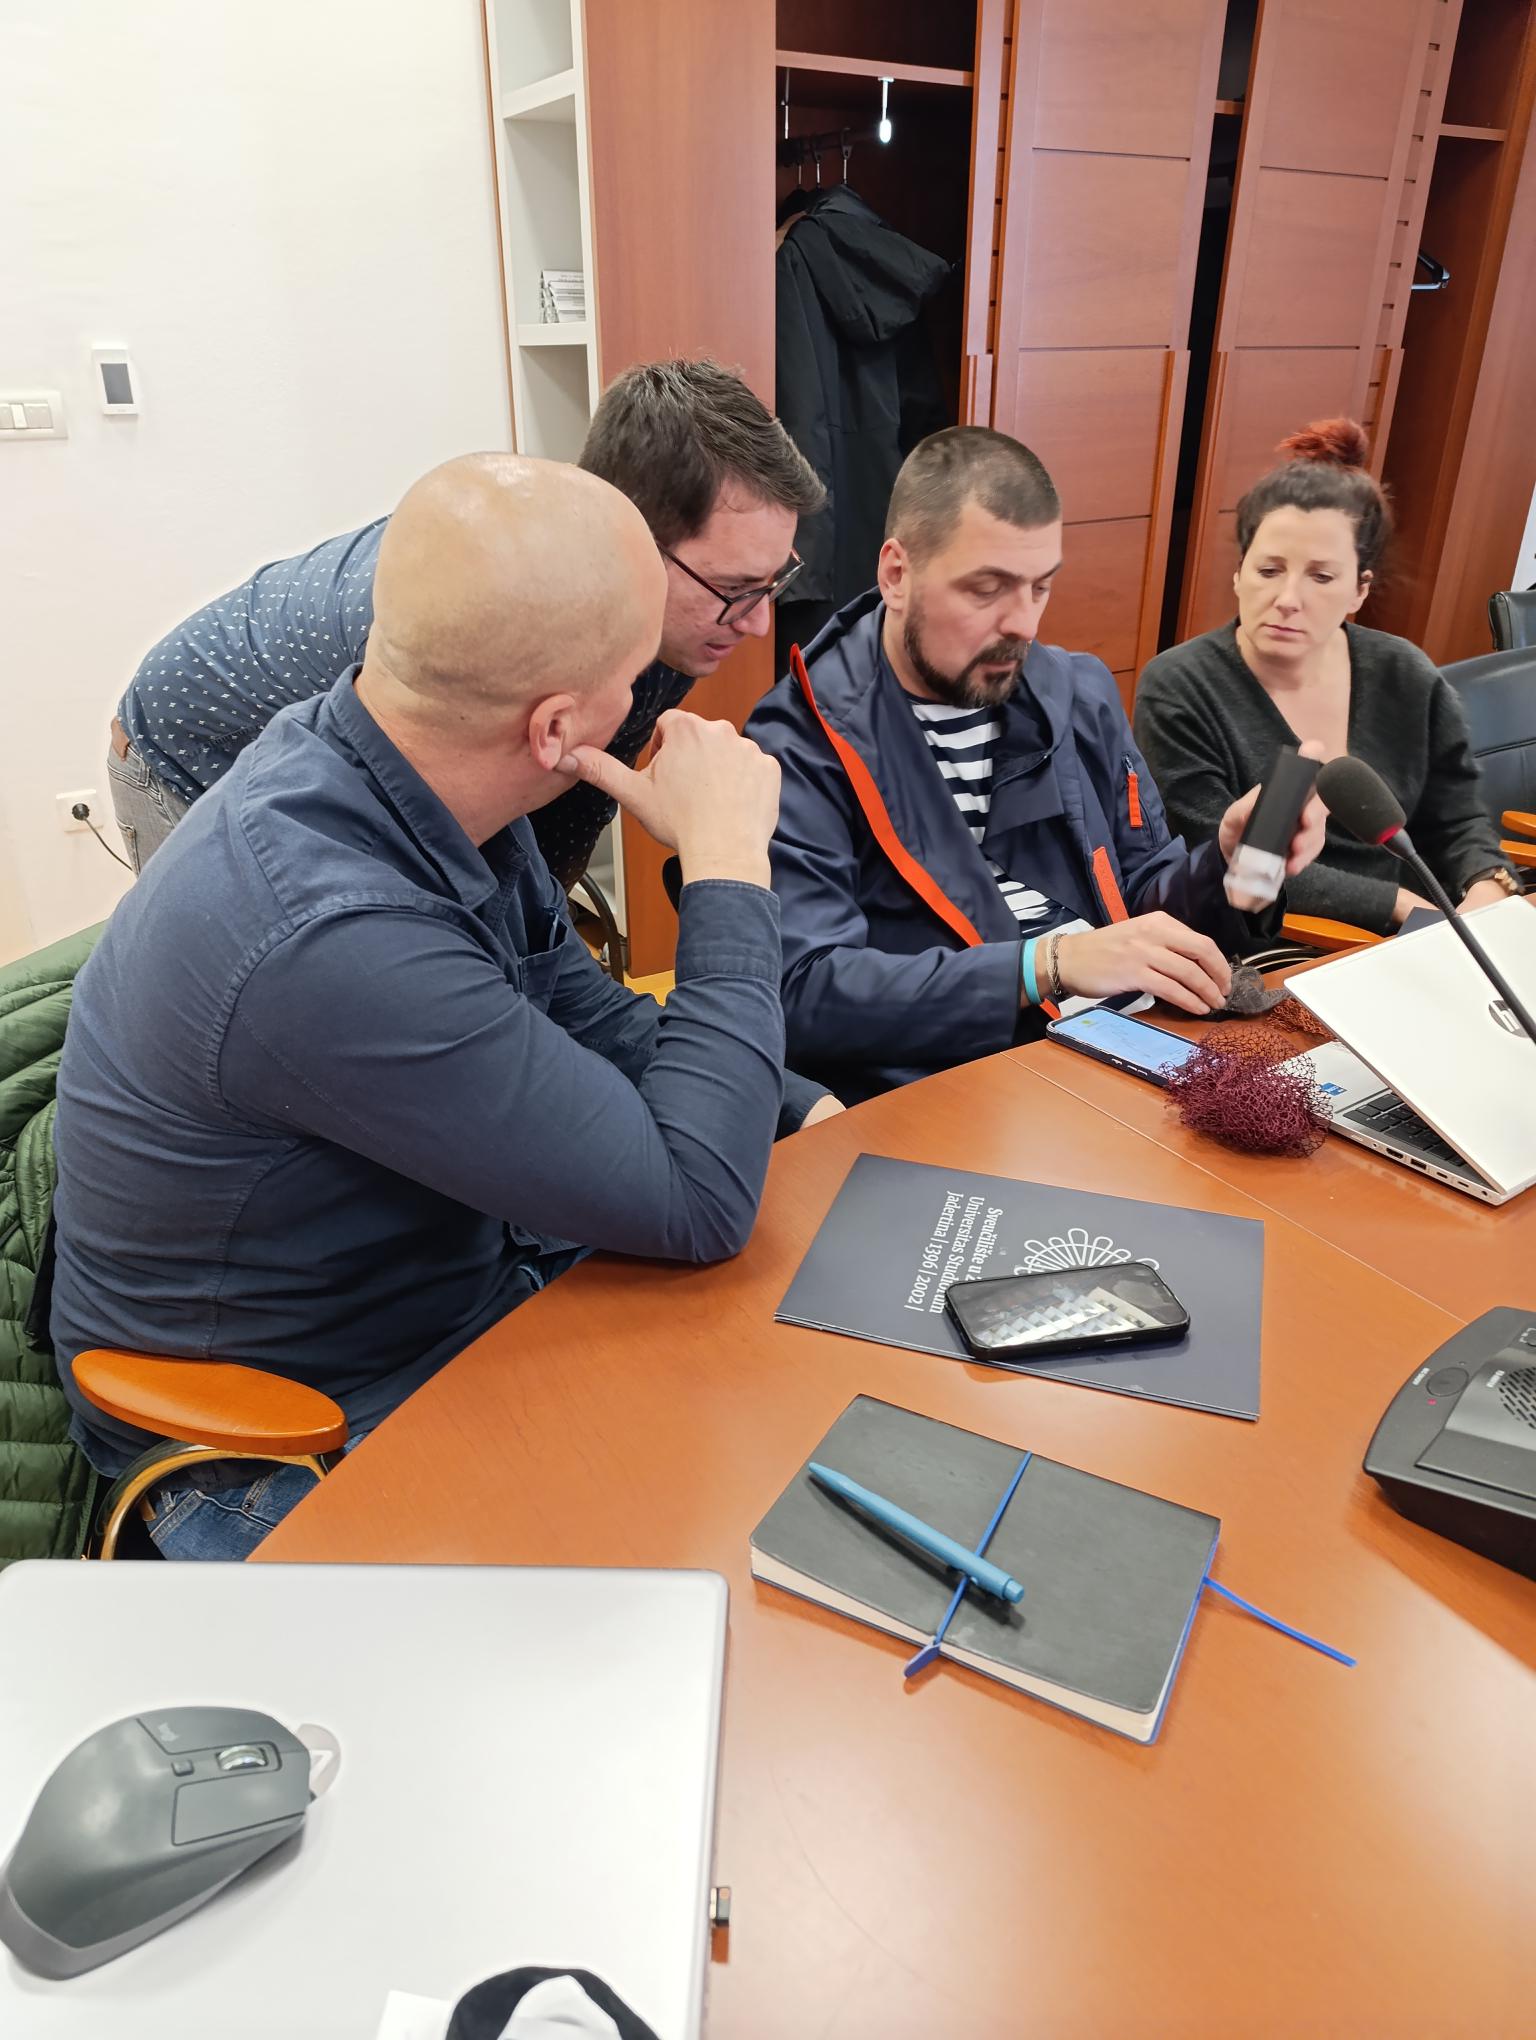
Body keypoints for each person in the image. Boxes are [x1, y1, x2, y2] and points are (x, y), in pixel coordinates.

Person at [53, 454, 835, 1560]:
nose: (646, 706)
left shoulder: (410, 769)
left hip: (452, 1294)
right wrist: (726, 869)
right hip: (289, 1436)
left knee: (782, 1405)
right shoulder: (332, 937)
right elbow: (697, 1203)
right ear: (557, 729)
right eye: (633, 680)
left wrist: (805, 1111)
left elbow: (593, 1019)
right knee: (729, 1553)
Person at [744, 427, 1325, 1103]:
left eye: (1040, 587)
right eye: (987, 589)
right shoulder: (800, 742)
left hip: (1128, 1056)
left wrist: (1232, 868)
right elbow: (805, 991)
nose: (1023, 623)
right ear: (897, 574)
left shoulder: (1077, 693)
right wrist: (1046, 964)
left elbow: (1140, 897)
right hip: (960, 1091)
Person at [106, 359, 823, 884]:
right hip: (191, 747)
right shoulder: (458, 631)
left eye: (772, 583)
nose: (759, 624)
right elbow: (425, 882)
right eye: (736, 589)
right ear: (638, 539)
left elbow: (566, 822)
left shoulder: (676, 613)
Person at [1134, 419, 1520, 936]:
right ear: (1239, 573)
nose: (1288, 599)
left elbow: (1458, 821)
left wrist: (1489, 885)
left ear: (1360, 589)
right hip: (1271, 944)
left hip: (1415, 934)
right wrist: (1400, 906)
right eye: (1269, 570)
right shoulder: (1180, 686)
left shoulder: (1403, 671)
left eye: (1321, 576)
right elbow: (1217, 860)